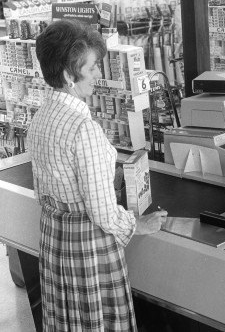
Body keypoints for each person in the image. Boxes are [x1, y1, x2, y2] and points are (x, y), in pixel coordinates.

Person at [27, 19, 168, 331]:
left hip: (55, 242)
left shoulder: (39, 120)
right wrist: (137, 225)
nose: (98, 75)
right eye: (91, 68)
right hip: (89, 251)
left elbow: (41, 191)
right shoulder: (83, 129)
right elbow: (102, 212)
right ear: (68, 75)